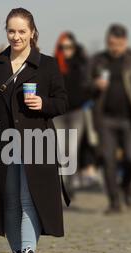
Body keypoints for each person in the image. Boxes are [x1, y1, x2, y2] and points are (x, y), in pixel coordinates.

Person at [0, 7, 69, 253]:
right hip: (2, 142)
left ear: (32, 33)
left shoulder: (47, 65)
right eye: (11, 31)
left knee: (29, 198)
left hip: (37, 141)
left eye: (21, 31)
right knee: (9, 199)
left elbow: (62, 101)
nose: (16, 36)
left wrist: (43, 103)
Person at [89, 24, 131, 214]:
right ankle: (114, 202)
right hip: (106, 119)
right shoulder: (98, 60)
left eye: (117, 44)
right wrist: (95, 85)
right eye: (110, 43)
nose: (114, 47)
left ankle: (126, 185)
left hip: (130, 118)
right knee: (108, 160)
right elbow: (84, 85)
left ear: (125, 42)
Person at [53, 31, 90, 198]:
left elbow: (88, 84)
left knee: (72, 150)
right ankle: (63, 182)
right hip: (59, 114)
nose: (67, 50)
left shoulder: (81, 64)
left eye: (70, 47)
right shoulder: (53, 65)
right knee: (61, 150)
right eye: (63, 47)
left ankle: (71, 183)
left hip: (76, 112)